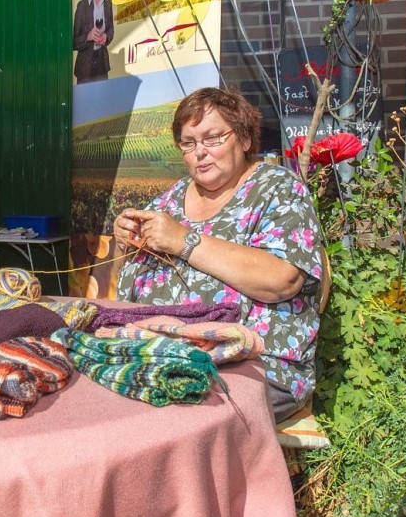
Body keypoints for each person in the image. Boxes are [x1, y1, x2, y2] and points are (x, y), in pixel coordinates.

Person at [112, 87, 324, 422]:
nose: (200, 152)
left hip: (255, 366)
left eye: (212, 138)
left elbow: (282, 280)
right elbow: (126, 294)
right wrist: (124, 245)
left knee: (165, 414)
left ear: (243, 139)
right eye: (189, 142)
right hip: (164, 355)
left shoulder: (277, 190)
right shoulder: (168, 203)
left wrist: (185, 241)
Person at [73, 0, 114, 84]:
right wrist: (88, 36)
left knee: (102, 100)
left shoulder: (108, 0)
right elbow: (74, 42)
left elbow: (111, 29)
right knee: (85, 102)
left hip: (102, 63)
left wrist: (106, 36)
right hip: (85, 67)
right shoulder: (82, 6)